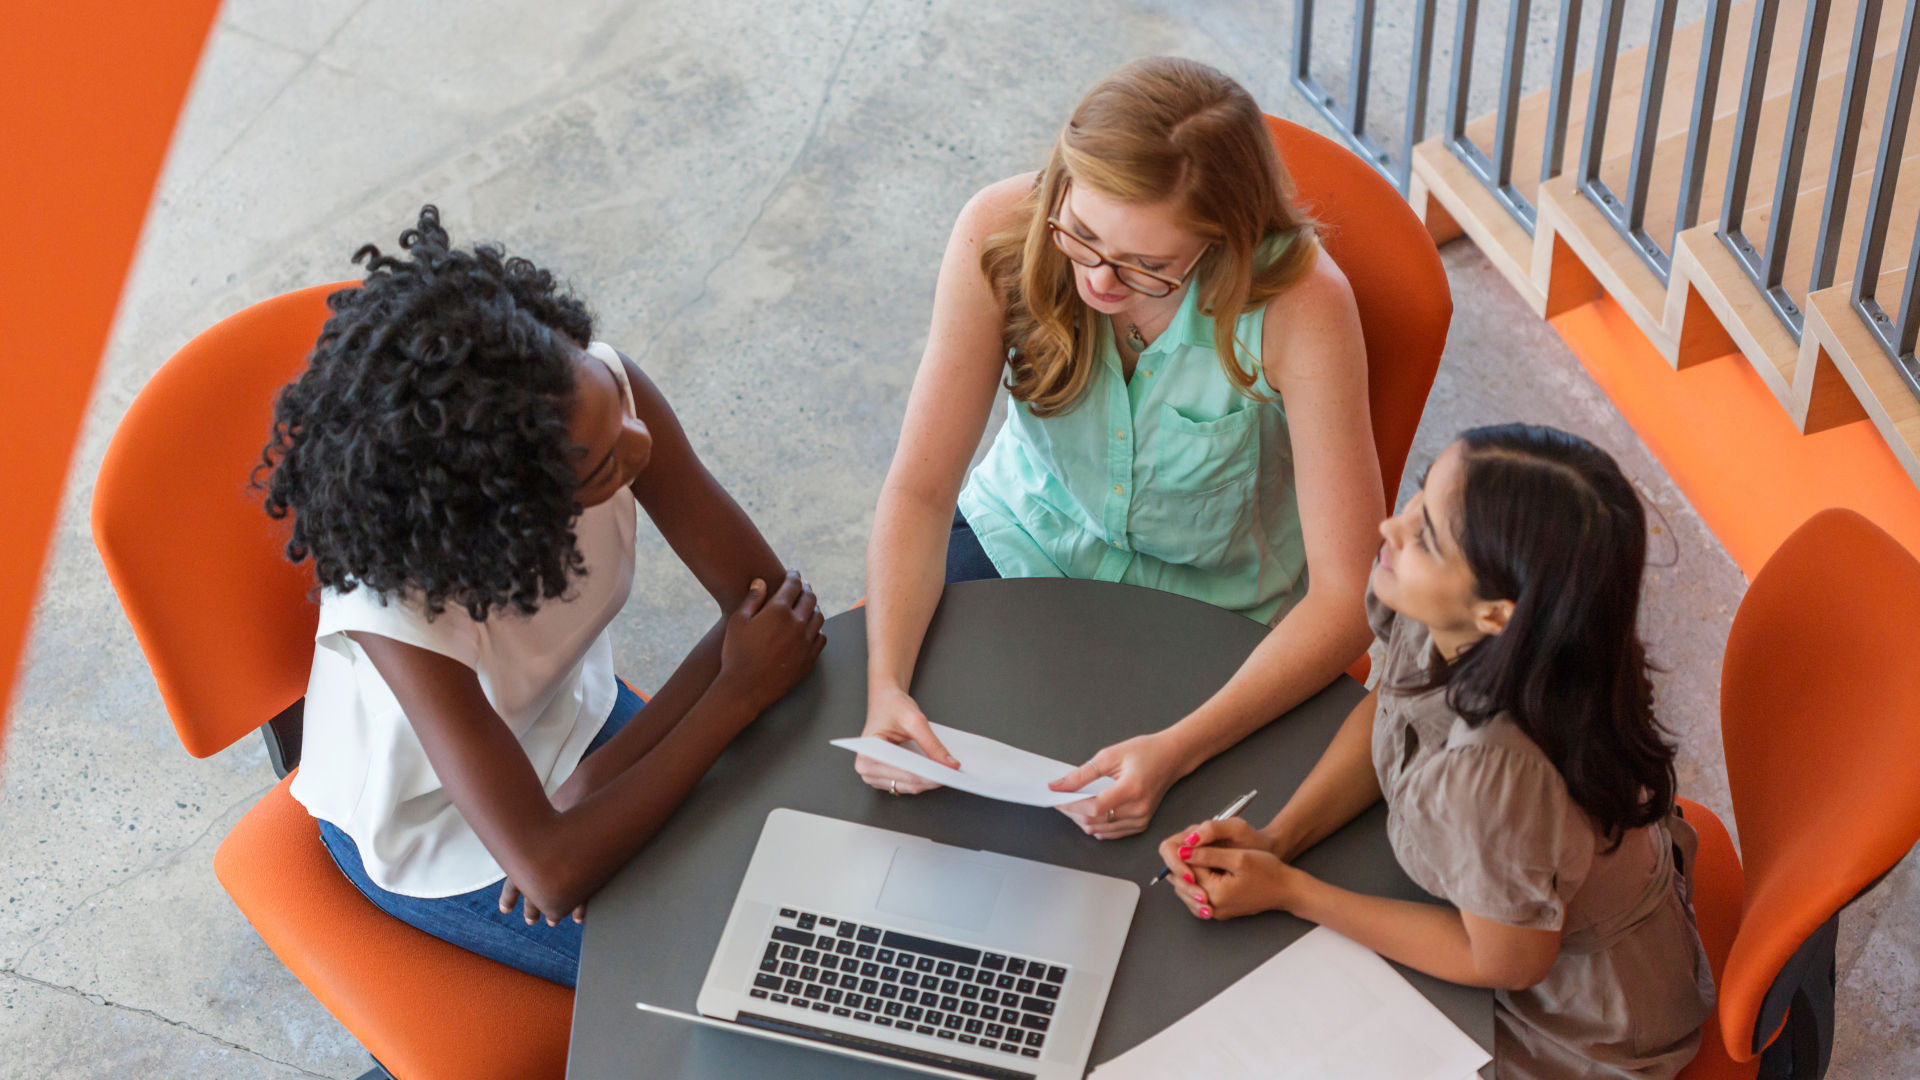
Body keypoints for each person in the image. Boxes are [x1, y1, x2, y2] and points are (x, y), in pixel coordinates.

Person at [257, 206, 825, 988]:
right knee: (721, 974)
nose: (641, 444)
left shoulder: (595, 397)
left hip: (568, 733)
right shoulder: (396, 611)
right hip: (437, 832)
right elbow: (553, 873)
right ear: (508, 513)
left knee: (800, 863)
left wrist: (602, 778)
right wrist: (734, 694)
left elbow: (767, 613)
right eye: (600, 469)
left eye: (618, 408)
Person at [856, 57, 1383, 838]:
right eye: (1084, 235)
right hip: (1024, 538)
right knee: (900, 808)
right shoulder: (999, 229)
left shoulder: (1304, 306)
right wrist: (885, 684)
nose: (1100, 281)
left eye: (1150, 266)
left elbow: (1349, 596)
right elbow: (920, 492)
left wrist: (1178, 750)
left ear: (1223, 241)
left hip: (1216, 608)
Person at [1157, 424, 1716, 1078]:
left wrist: (1294, 893)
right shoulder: (1459, 614)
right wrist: (1279, 840)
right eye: (1419, 498)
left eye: (1425, 536)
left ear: (1497, 614)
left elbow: (1509, 961)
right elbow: (1392, 708)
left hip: (1567, 1012)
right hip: (1503, 910)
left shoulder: (1497, 772)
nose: (1391, 526)